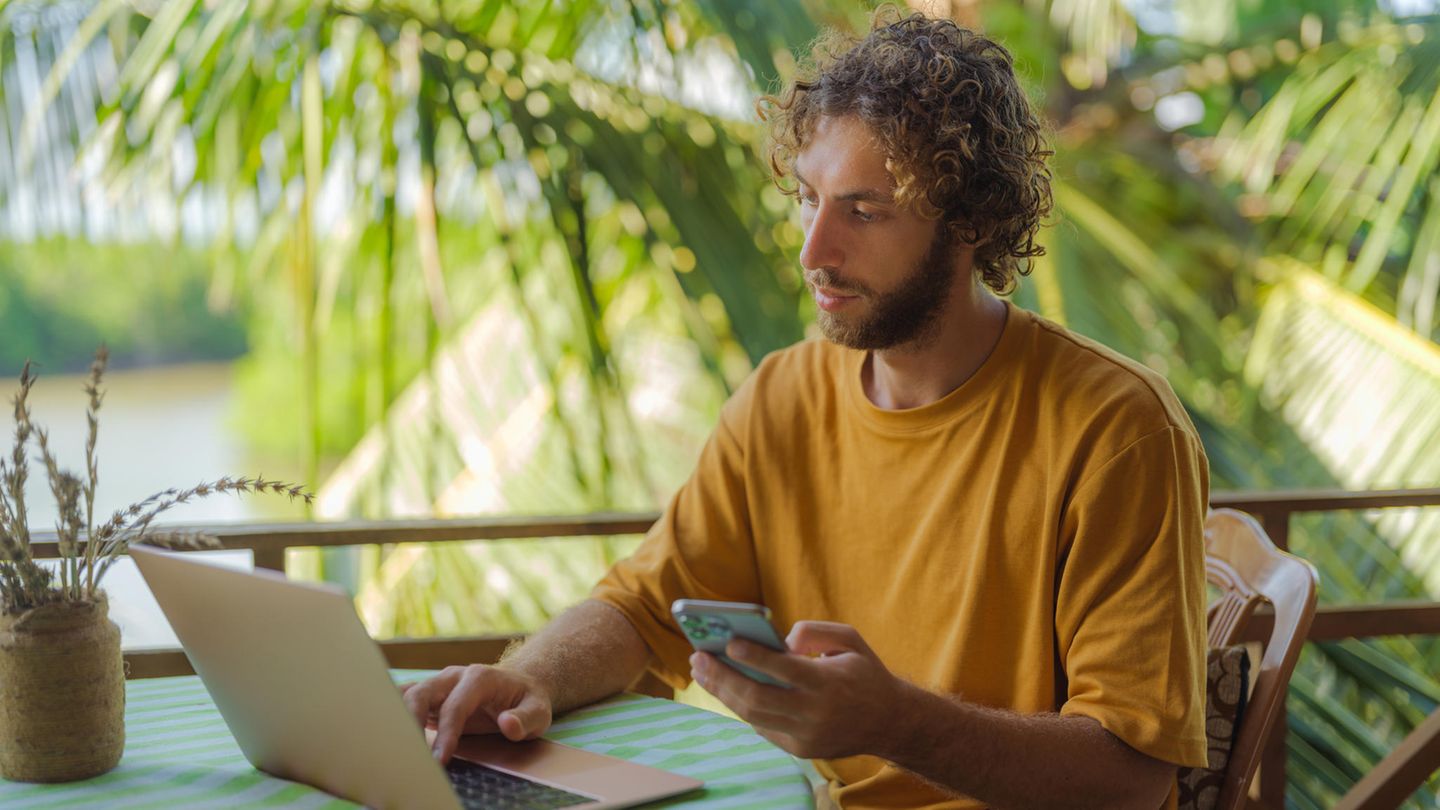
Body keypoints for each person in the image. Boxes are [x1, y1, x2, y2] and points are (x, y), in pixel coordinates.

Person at [402, 9, 1209, 809]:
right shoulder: (782, 399)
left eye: (864, 211)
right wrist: (526, 679)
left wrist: (897, 723)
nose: (814, 251)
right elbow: (644, 608)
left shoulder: (1118, 429)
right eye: (808, 197)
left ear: (970, 221)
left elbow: (1131, 777)